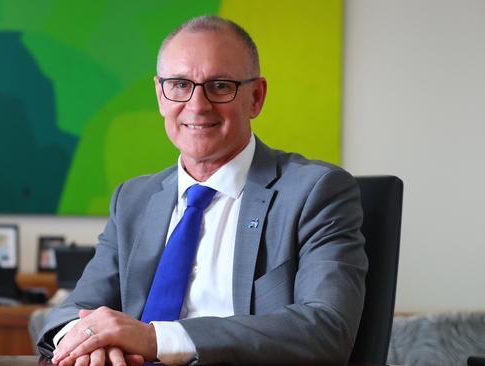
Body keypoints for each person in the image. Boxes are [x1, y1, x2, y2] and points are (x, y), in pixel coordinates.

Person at [37, 15, 367, 366]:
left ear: (255, 97)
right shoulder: (133, 199)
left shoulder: (315, 192)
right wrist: (88, 338)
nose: (197, 105)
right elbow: (72, 311)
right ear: (161, 97)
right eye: (180, 85)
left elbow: (327, 329)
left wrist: (155, 338)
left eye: (220, 85)